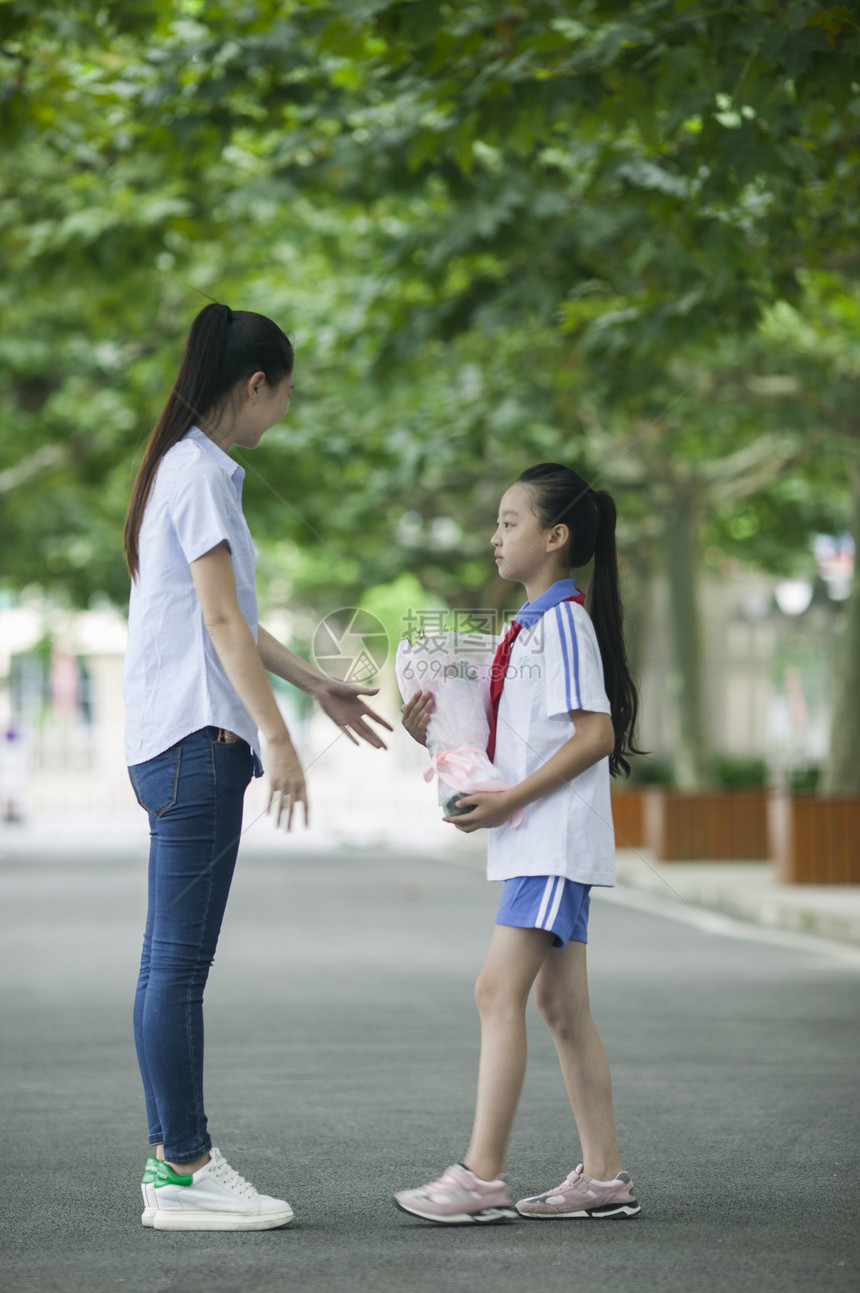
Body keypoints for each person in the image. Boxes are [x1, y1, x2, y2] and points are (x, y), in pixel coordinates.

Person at [122, 302, 392, 1231]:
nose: (284, 410)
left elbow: (232, 610)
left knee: (168, 964)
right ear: (254, 385)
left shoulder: (187, 470)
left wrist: (318, 684)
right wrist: (275, 739)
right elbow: (222, 622)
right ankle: (186, 1165)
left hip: (177, 742)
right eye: (284, 393)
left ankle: (172, 1161)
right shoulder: (200, 473)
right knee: (177, 968)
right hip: (200, 744)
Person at [394, 462, 642, 1225]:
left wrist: (511, 799)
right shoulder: (527, 626)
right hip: (539, 841)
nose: (494, 536)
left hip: (551, 843)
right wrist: (430, 732)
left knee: (495, 991)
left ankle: (480, 1175)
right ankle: (602, 1178)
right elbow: (516, 740)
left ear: (555, 536)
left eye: (509, 522)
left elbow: (594, 734)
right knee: (561, 1006)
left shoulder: (563, 623)